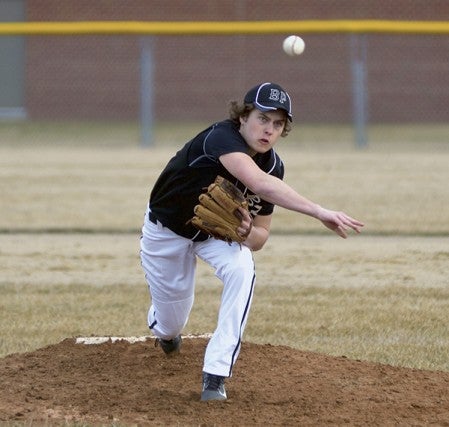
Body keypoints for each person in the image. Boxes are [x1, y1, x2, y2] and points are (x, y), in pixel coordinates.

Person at [140, 82, 364, 401]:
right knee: (170, 324)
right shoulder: (221, 137)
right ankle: (163, 330)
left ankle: (215, 374)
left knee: (243, 267)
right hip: (167, 232)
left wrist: (246, 234)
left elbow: (261, 236)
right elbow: (257, 182)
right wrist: (318, 211)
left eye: (277, 124)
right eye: (262, 118)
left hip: (215, 234)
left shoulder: (274, 166)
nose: (268, 129)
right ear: (243, 117)